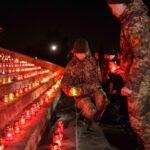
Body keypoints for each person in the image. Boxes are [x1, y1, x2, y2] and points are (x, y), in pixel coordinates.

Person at [106, 0, 150, 149]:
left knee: (140, 123)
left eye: (112, 7)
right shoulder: (131, 20)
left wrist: (131, 85)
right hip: (139, 78)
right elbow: (133, 54)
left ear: (121, 3)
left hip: (142, 81)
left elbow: (144, 56)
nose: (112, 12)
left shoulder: (134, 21)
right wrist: (123, 70)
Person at [61, 38, 108, 130]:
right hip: (80, 95)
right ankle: (86, 115)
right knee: (91, 110)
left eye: (83, 52)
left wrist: (83, 89)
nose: (81, 55)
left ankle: (94, 121)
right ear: (74, 52)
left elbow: (97, 82)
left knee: (103, 100)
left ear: (87, 51)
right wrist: (70, 90)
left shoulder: (93, 62)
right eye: (78, 53)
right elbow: (64, 82)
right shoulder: (71, 65)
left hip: (93, 90)